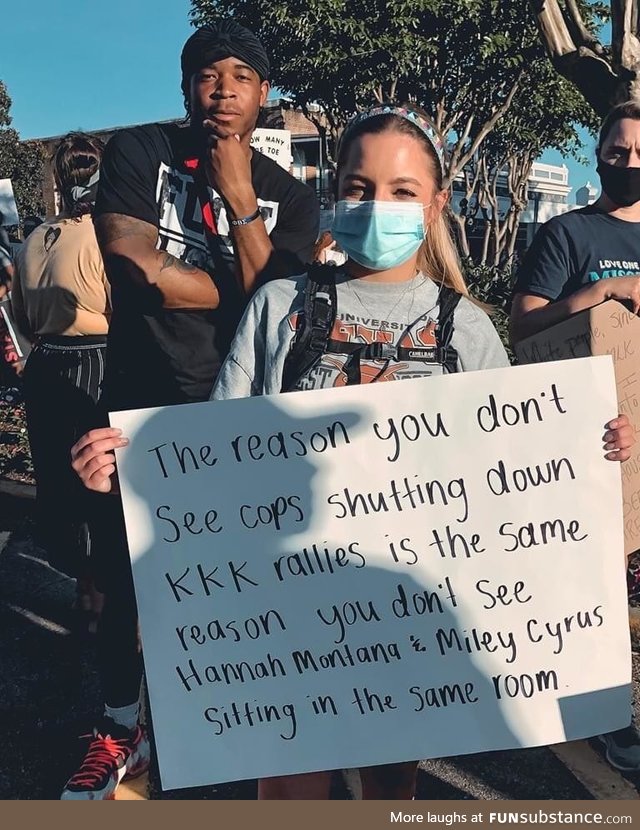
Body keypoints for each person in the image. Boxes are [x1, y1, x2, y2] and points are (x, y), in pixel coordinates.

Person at [71, 104, 634, 800]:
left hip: (409, 621)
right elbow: (216, 453)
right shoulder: (281, 305)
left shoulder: (471, 332)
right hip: (288, 613)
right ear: (335, 193)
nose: (378, 206)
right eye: (360, 188)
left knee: (392, 786)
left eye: (401, 192)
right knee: (287, 791)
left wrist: (594, 446)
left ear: (433, 205)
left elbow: (517, 474)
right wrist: (134, 469)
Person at [61, 21, 319, 800]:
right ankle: (118, 729)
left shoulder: (292, 197)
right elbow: (140, 271)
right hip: (139, 408)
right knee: (122, 579)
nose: (224, 88)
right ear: (185, 85)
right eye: (209, 73)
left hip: (240, 418)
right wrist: (257, 285)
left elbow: (291, 312)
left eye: (243, 75)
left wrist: (241, 193)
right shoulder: (142, 152)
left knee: (236, 581)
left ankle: (213, 722)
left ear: (266, 94)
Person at [510, 100, 640, 773]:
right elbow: (523, 324)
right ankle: (612, 723)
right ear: (598, 156)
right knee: (601, 589)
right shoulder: (568, 235)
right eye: (618, 152)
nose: (630, 164)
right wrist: (600, 298)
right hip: (597, 440)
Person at [11, 132, 109, 629]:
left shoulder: (33, 240)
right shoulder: (106, 236)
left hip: (44, 364)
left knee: (58, 478)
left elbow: (21, 320)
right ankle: (103, 593)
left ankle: (83, 589)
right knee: (99, 476)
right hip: (93, 363)